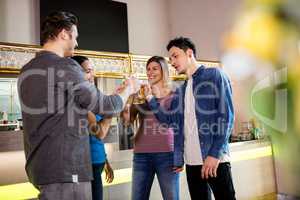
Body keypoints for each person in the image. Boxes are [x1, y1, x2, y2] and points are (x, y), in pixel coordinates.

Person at [17, 11, 136, 200]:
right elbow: (106, 106)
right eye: (75, 36)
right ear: (64, 34)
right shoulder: (64, 66)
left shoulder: (27, 70)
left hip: (41, 169)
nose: (77, 43)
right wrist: (128, 90)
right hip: (66, 169)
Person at [145, 37, 236, 200]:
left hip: (215, 160)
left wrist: (214, 154)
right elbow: (169, 121)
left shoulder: (215, 75)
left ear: (189, 53)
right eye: (170, 58)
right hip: (192, 163)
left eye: (175, 56)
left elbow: (227, 117)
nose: (172, 62)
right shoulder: (182, 90)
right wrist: (150, 98)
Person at [129, 56, 180, 200]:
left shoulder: (174, 94)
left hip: (167, 154)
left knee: (171, 197)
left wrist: (151, 98)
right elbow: (128, 119)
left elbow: (169, 122)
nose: (150, 72)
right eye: (148, 69)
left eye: (154, 68)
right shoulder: (142, 94)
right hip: (141, 155)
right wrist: (129, 95)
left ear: (164, 70)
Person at [71, 55, 114, 200]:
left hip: (97, 160)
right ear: (76, 73)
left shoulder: (92, 99)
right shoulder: (80, 102)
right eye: (88, 71)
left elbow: (97, 139)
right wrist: (112, 110)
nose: (92, 75)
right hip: (86, 164)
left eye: (92, 71)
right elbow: (99, 133)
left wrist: (106, 161)